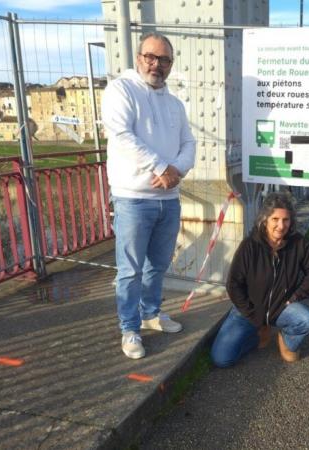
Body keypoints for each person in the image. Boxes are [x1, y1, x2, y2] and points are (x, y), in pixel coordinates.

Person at [101, 33, 196, 359]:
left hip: (168, 200)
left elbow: (189, 144)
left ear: (171, 64)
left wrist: (176, 171)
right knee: (129, 270)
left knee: (158, 264)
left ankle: (151, 314)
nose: (157, 64)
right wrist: (161, 167)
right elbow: (121, 134)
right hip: (132, 199)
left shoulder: (174, 103)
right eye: (150, 57)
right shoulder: (121, 90)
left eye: (164, 60)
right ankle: (130, 328)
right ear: (139, 57)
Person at [210, 192, 309, 368]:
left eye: (286, 220)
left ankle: (286, 340)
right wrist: (255, 318)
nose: (281, 225)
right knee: (222, 359)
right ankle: (258, 335)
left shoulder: (297, 243)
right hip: (249, 310)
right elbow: (233, 284)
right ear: (265, 220)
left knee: (308, 320)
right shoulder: (249, 246)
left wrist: (296, 296)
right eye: (275, 219)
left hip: (281, 307)